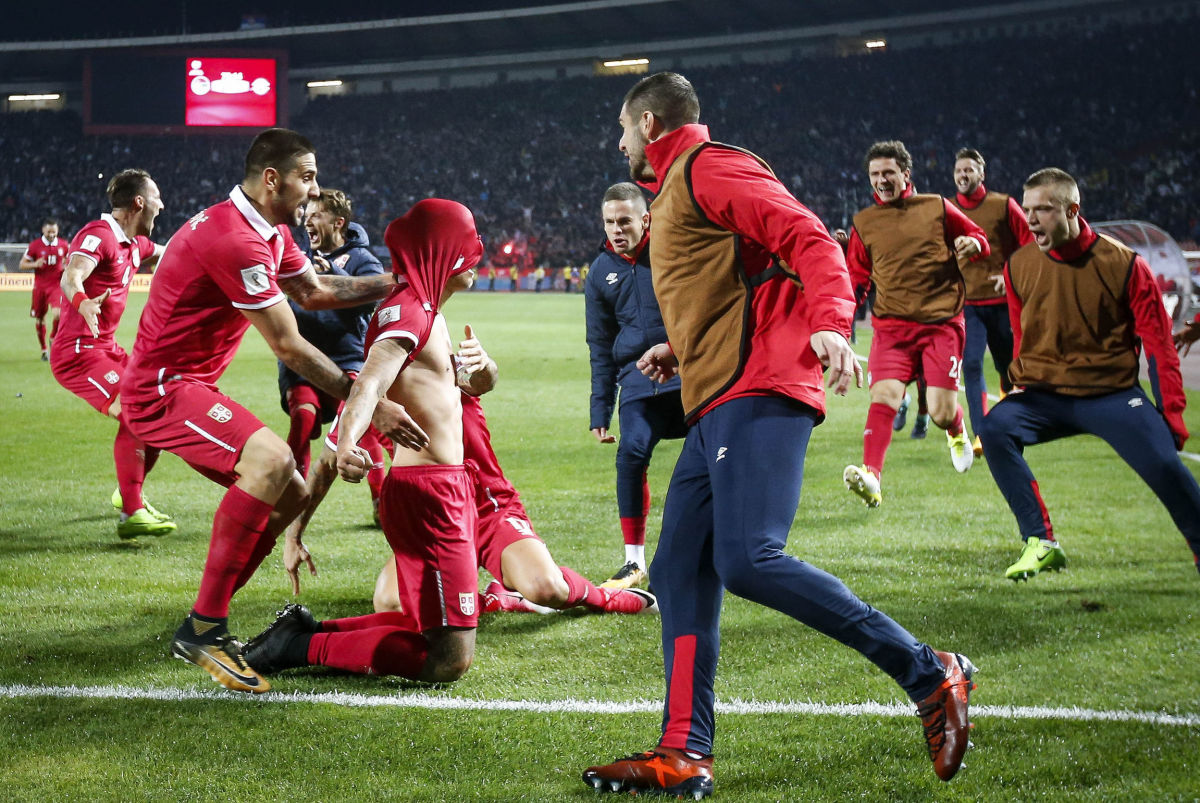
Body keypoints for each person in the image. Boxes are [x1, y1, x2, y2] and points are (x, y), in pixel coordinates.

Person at [582, 73, 975, 799]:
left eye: (622, 128)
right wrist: (681, 348)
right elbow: (732, 278)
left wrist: (830, 321)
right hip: (715, 393)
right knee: (676, 570)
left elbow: (807, 237)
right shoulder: (675, 190)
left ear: (647, 120)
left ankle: (930, 671)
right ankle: (683, 750)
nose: (619, 142)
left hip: (759, 382)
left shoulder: (710, 165)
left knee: (748, 558)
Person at [119, 129, 418, 694]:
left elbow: (313, 292)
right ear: (272, 178)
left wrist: (396, 282)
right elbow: (289, 345)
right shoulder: (235, 238)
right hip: (160, 389)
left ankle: (208, 613)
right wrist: (370, 401)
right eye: (307, 176)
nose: (314, 187)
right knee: (273, 461)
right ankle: (205, 627)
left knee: (295, 493)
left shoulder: (269, 230)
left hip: (189, 384)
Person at [242, 199, 486, 684]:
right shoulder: (409, 310)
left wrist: (483, 369)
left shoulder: (426, 309)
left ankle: (303, 634)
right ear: (443, 251)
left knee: (426, 626)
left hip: (443, 487)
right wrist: (350, 439)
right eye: (467, 243)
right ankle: (301, 646)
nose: (476, 254)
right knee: (449, 659)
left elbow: (455, 387)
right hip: (430, 495)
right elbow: (368, 384)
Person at [981, 167, 1200, 580]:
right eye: (1027, 209)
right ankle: (1041, 542)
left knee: (1167, 466)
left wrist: (1171, 414)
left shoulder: (1125, 264)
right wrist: (1014, 389)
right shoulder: (1019, 266)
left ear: (1072, 210)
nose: (1030, 219)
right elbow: (1022, 339)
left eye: (1043, 210)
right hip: (1046, 397)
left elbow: (1159, 346)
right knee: (995, 429)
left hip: (1113, 396)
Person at [369, 327, 657, 617]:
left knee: (546, 588)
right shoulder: (368, 399)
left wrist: (484, 363)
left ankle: (605, 597)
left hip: (489, 508)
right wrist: (347, 453)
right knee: (391, 603)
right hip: (435, 517)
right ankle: (500, 600)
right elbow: (340, 446)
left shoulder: (439, 368)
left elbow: (484, 379)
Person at [842, 140, 991, 508]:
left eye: (888, 173)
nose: (881, 180)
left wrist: (974, 245)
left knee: (940, 411)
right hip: (891, 329)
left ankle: (956, 430)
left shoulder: (937, 207)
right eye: (875, 174)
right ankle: (872, 478)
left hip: (940, 324)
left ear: (905, 174)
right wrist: (842, 325)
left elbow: (979, 237)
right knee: (885, 397)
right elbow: (856, 280)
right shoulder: (864, 222)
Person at [50, 170, 175, 541]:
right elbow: (70, 276)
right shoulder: (98, 236)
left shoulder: (134, 244)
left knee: (164, 404)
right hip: (78, 353)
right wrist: (83, 301)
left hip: (107, 348)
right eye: (156, 197)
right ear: (139, 203)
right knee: (136, 407)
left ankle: (128, 490)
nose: (162, 205)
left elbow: (176, 254)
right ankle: (131, 511)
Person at [584, 182, 687, 589]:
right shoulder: (599, 273)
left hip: (687, 375)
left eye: (624, 220)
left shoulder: (673, 252)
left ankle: (717, 544)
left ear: (646, 219)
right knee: (631, 453)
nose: (616, 229)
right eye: (609, 221)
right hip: (639, 383)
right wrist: (600, 409)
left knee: (713, 458)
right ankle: (633, 561)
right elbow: (599, 345)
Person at [277, 188, 390, 520]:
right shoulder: (297, 257)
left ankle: (380, 500)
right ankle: (293, 499)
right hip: (302, 362)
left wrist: (335, 275)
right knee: (303, 419)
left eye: (316, 216)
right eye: (306, 216)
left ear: (338, 222)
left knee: (355, 420)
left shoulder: (360, 259)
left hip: (347, 359)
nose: (308, 222)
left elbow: (373, 300)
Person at [949, 148, 1033, 456]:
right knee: (971, 364)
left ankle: (1008, 418)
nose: (963, 175)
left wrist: (1010, 274)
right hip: (967, 304)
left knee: (1006, 368)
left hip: (1003, 303)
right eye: (959, 170)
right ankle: (982, 433)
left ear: (981, 174)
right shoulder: (946, 209)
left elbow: (1030, 244)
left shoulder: (1004, 205)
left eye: (969, 170)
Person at [20, 218, 69, 361]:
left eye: (54, 232)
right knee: (40, 318)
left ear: (57, 231)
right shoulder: (35, 245)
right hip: (40, 287)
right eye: (49, 232)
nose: (52, 234)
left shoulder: (63, 245)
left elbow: (69, 261)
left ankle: (53, 337)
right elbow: (22, 264)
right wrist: (35, 263)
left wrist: (66, 267)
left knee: (58, 314)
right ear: (43, 230)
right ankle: (43, 350)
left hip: (56, 286)